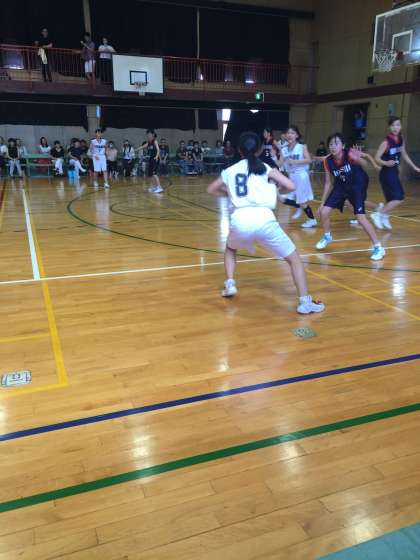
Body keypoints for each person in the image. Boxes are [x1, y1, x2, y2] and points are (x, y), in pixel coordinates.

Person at [207, 132, 324, 315]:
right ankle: (305, 302)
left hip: (240, 219)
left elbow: (212, 189)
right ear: (260, 149)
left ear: (239, 150)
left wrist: (228, 194)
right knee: (294, 260)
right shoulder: (265, 167)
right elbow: (291, 186)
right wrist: (277, 190)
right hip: (265, 219)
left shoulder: (230, 170)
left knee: (230, 249)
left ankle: (230, 284)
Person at [316, 133, 385, 261]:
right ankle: (327, 236)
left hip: (356, 186)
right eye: (331, 144)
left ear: (343, 145)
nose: (333, 146)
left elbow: (365, 163)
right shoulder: (327, 161)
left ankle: (378, 247)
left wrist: (359, 159)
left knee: (360, 218)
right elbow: (328, 183)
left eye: (336, 143)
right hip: (340, 187)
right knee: (324, 212)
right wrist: (322, 203)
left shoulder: (349, 153)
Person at [371, 116, 420, 230]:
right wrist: (386, 162)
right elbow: (376, 158)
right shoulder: (386, 142)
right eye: (393, 125)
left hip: (394, 172)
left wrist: (414, 167)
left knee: (391, 199)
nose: (395, 127)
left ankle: (384, 216)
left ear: (401, 126)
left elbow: (404, 154)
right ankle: (378, 214)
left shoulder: (401, 139)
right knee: (399, 197)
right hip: (386, 173)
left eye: (398, 125)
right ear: (389, 127)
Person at [277, 126, 317, 228]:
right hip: (291, 176)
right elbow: (280, 164)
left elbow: (309, 160)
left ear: (297, 135)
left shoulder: (302, 147)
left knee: (302, 201)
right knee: (281, 196)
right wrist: (274, 157)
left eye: (292, 133)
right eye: (288, 133)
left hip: (301, 175)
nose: (290, 135)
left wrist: (295, 161)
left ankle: (312, 220)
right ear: (285, 135)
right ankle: (298, 206)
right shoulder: (284, 149)